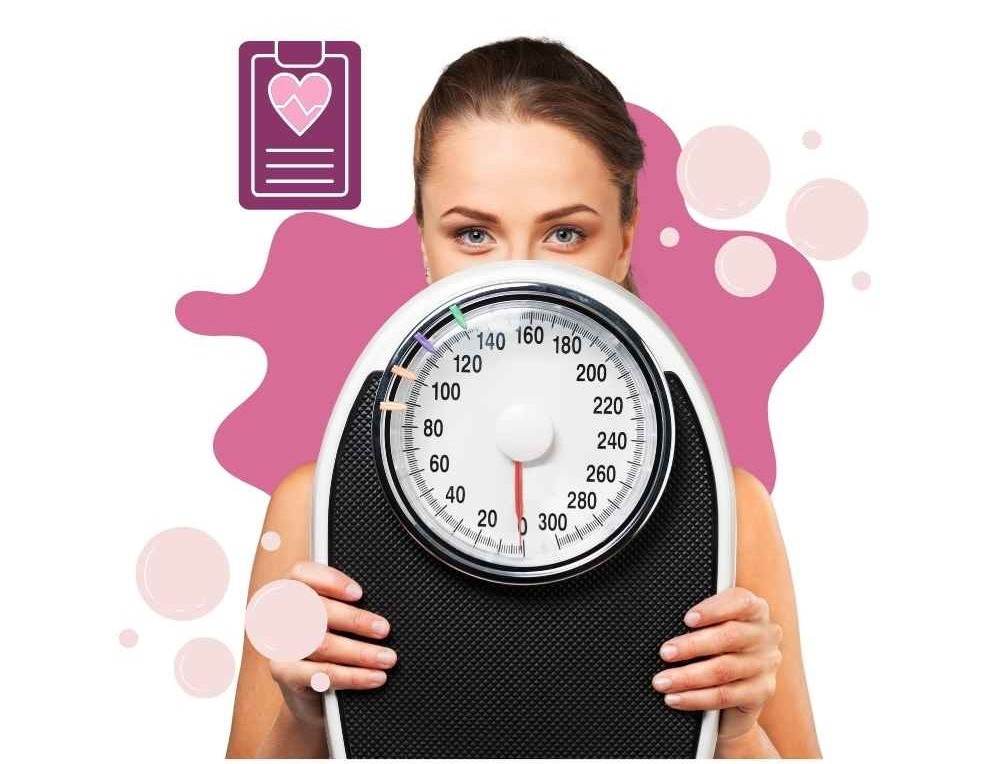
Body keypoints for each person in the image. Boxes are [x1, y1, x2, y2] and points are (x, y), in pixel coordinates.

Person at [226, 37, 821, 759]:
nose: (520, 281)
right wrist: (307, 719)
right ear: (423, 242)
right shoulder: (315, 505)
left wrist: (733, 727)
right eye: (473, 234)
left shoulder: (726, 509)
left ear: (626, 238)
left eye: (566, 233)